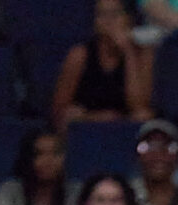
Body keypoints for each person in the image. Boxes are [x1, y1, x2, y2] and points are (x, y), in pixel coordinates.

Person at [53, 0, 152, 128]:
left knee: (143, 115)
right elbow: (58, 111)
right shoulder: (80, 55)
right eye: (102, 14)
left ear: (129, 19)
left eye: (115, 14)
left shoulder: (143, 55)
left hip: (124, 123)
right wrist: (94, 118)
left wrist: (128, 52)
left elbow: (139, 106)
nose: (108, 21)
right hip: (87, 122)